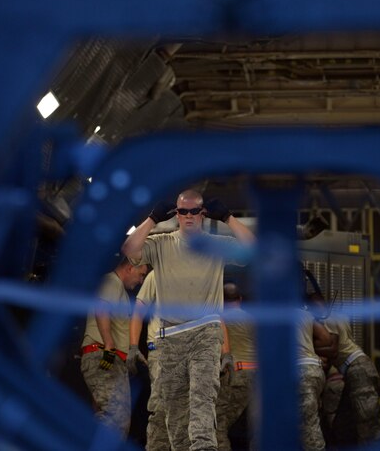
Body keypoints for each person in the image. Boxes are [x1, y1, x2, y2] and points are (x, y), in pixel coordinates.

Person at [121, 190, 255, 450]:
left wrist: (228, 217)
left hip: (205, 333)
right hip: (169, 338)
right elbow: (129, 249)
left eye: (195, 211)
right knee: (174, 415)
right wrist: (152, 219)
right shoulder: (161, 242)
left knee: (202, 404)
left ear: (203, 214)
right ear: (177, 214)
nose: (189, 216)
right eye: (184, 211)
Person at [80, 257, 148, 436]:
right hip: (104, 355)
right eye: (141, 275)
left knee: (109, 417)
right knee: (116, 417)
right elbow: (101, 307)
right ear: (129, 268)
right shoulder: (112, 281)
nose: (141, 281)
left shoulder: (121, 291)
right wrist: (109, 345)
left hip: (110, 359)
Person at [313, 293, 380, 444]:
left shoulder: (327, 319)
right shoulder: (338, 316)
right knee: (351, 423)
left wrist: (308, 348)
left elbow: (333, 348)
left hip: (357, 369)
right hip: (360, 367)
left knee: (368, 426)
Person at [128, 271, 171, 451]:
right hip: (161, 350)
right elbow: (139, 309)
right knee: (161, 411)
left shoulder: (201, 273)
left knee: (188, 413)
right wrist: (133, 346)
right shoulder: (157, 275)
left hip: (191, 351)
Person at [216, 281, 258, 451]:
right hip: (257, 376)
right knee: (257, 429)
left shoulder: (220, 320)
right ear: (239, 299)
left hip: (235, 376)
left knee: (217, 426)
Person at [297, 298, 336, 451]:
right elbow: (326, 338)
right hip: (315, 369)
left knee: (308, 424)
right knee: (308, 419)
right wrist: (306, 343)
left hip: (301, 372)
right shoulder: (305, 315)